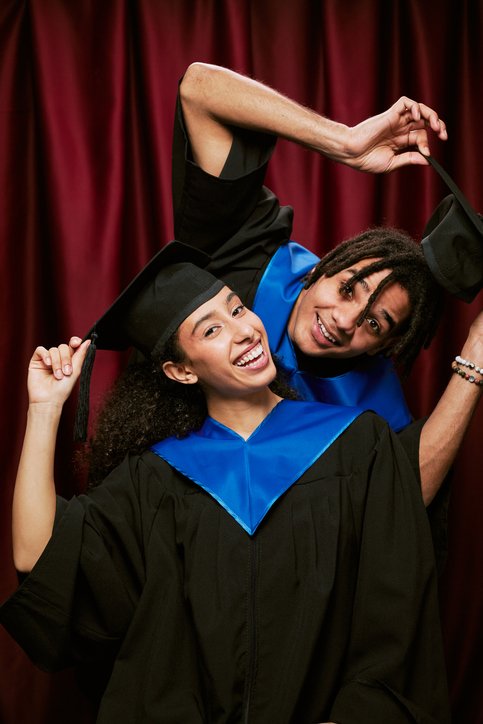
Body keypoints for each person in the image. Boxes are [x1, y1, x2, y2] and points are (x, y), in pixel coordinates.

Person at [1, 242, 450, 723]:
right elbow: (36, 556)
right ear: (181, 371)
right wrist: (44, 410)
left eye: (237, 308)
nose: (243, 331)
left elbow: (395, 617)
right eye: (212, 329)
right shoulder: (156, 479)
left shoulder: (360, 446)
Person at [172, 61, 483, 508]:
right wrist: (345, 141)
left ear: (383, 349)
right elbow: (199, 88)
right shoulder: (245, 252)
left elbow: (403, 502)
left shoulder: (371, 409)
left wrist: (476, 349)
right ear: (321, 268)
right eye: (348, 288)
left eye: (374, 324)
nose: (343, 320)